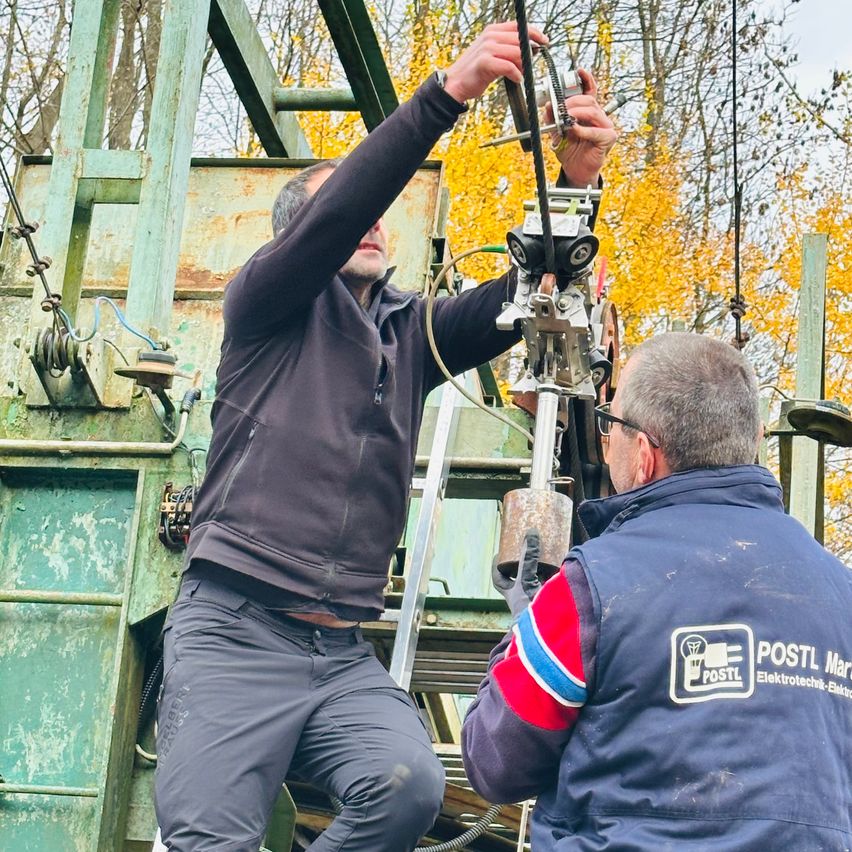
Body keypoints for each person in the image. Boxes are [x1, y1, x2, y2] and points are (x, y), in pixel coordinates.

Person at [153, 21, 618, 852]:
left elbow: (533, 286)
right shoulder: (265, 305)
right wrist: (450, 92)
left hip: (338, 651)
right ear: (307, 233)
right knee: (207, 843)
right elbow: (339, 213)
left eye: (380, 218)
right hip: (233, 627)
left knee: (407, 788)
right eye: (353, 214)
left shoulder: (413, 335)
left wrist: (578, 181)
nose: (373, 225)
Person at [462, 332, 852, 849]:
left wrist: (523, 635)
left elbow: (495, 761)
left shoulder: (592, 586)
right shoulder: (841, 589)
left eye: (612, 426)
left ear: (644, 453)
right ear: (752, 438)